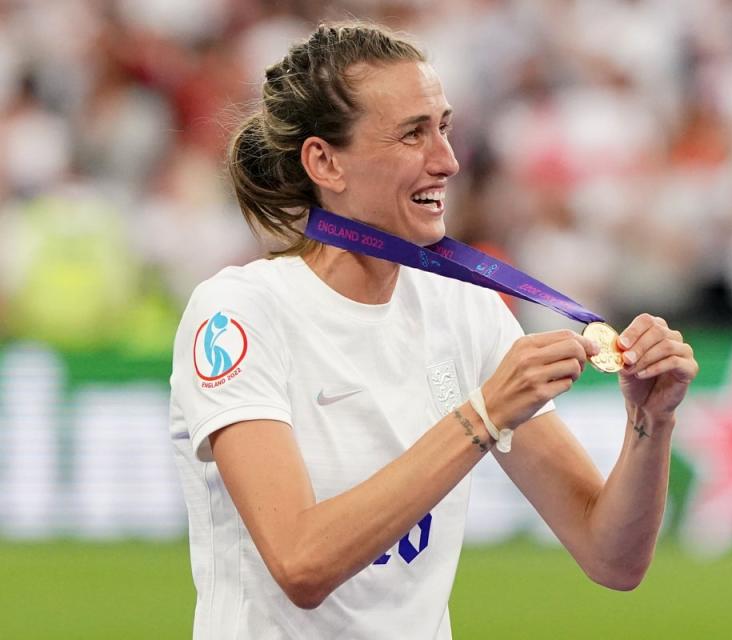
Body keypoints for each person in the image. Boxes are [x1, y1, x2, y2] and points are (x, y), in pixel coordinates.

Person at [169, 20, 698, 640]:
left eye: (443, 126)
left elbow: (612, 557)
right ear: (325, 161)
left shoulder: (464, 309)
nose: (446, 160)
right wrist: (486, 413)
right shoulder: (239, 311)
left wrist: (650, 421)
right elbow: (301, 564)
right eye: (412, 135)